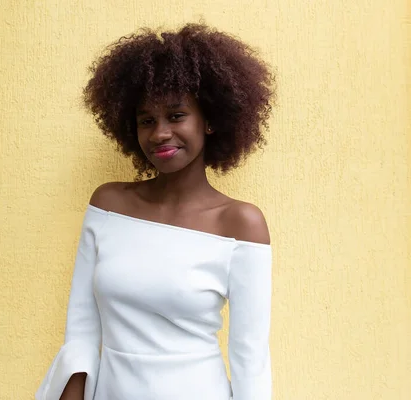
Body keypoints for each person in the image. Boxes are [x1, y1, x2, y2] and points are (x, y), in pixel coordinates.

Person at [36, 22, 275, 400]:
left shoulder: (239, 224)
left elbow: (251, 359)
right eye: (147, 120)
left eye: (176, 116)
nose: (160, 133)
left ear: (210, 120)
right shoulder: (108, 206)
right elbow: (82, 326)